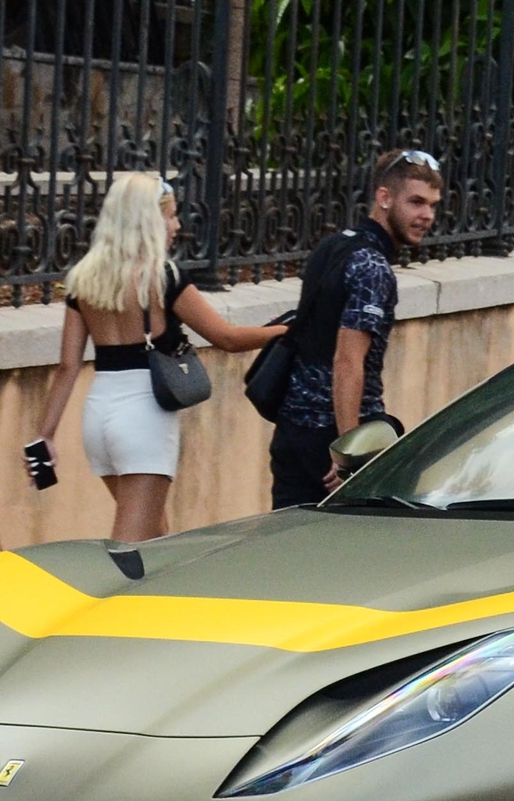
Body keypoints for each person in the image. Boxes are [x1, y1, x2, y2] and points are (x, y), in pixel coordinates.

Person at [34, 172, 287, 542]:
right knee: (129, 550)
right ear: (147, 221)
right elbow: (227, 338)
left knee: (157, 537)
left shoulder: (83, 279)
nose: (177, 225)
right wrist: (287, 331)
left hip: (98, 416)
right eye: (170, 216)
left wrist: (44, 437)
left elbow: (67, 367)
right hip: (143, 417)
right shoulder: (162, 276)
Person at [270, 149, 444, 507]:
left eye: (432, 204)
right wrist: (348, 453)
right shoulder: (372, 268)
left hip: (292, 433)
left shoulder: (333, 246)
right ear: (384, 197)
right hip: (336, 444)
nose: (426, 215)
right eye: (416, 202)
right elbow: (348, 361)